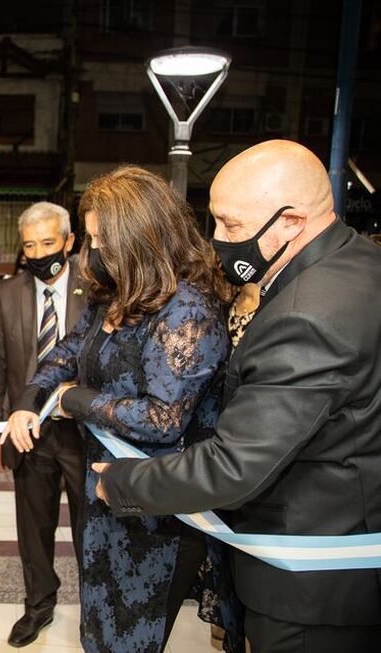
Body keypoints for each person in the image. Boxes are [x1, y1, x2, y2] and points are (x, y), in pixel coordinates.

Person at [94, 141, 381, 653]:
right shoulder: (358, 263)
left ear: (290, 221)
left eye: (232, 227)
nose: (219, 242)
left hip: (309, 586)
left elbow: (234, 465)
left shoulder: (306, 313)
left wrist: (122, 483)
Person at [3, 166, 238, 653]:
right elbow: (65, 353)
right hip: (106, 492)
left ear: (139, 237)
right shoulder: (112, 295)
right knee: (99, 627)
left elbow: (162, 418)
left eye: (102, 242)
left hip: (156, 508)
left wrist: (74, 400)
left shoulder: (186, 312)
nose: (93, 255)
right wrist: (29, 402)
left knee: (132, 637)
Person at [0, 202, 87, 648]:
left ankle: (97, 607)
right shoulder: (7, 293)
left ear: (69, 241)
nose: (40, 252)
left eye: (49, 242)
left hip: (86, 430)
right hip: (29, 432)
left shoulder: (99, 285)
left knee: (94, 527)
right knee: (33, 526)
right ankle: (38, 606)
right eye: (30, 245)